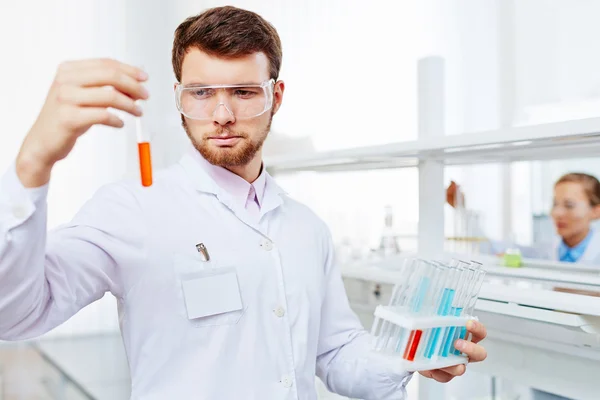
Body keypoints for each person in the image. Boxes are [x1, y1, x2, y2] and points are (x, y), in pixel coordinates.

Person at [0, 6, 487, 399]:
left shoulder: (305, 227)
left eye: (243, 91)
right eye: (202, 92)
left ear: (276, 96)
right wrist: (31, 165)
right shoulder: (130, 208)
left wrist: (410, 355)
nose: (222, 113)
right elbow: (14, 315)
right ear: (178, 98)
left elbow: (336, 354)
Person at [447, 172, 600, 264]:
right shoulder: (545, 251)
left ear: (596, 210)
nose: (556, 213)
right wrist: (461, 208)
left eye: (569, 205)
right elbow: (491, 249)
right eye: (555, 204)